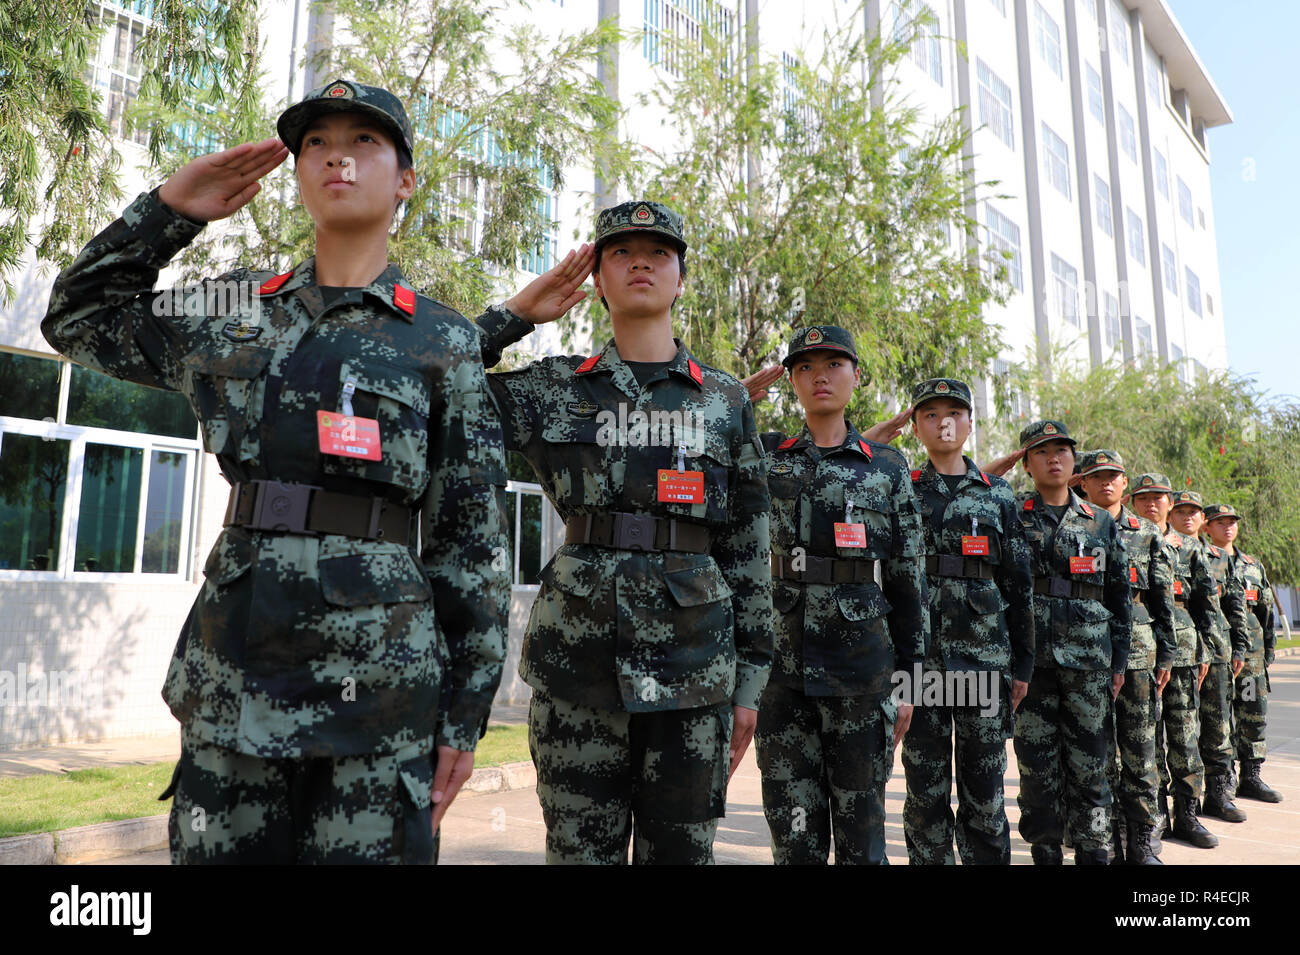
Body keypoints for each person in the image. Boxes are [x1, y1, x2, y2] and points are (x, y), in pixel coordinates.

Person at [41, 79, 511, 863]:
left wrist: (463, 717)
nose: (338, 158)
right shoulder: (231, 310)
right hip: (235, 682)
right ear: (297, 173)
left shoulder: (443, 341)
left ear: (405, 180)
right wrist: (171, 211)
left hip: (382, 700)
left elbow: (472, 546)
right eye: (317, 143)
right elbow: (78, 318)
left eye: (365, 142)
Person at [474, 200, 774, 864]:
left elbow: (751, 551)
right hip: (576, 673)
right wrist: (516, 315)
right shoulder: (556, 389)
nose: (640, 260)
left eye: (659, 251)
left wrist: (749, 684)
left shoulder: (725, 401)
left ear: (680, 278)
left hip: (695, 678)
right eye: (620, 252)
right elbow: (433, 382)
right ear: (599, 280)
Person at [743, 327, 927, 864]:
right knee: (794, 834)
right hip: (781, 673)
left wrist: (911, 676)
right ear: (793, 381)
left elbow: (907, 578)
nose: (819, 375)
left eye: (833, 363)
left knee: (862, 835)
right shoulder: (767, 457)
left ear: (855, 375)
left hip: (861, 672)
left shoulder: (886, 466)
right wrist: (726, 400)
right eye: (804, 367)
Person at [899, 378, 1032, 865]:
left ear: (970, 424)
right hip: (922, 669)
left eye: (954, 412)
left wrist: (1023, 664)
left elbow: (1018, 584)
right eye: (930, 414)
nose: (944, 422)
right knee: (925, 791)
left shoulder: (998, 496)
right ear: (916, 427)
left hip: (984, 663)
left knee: (984, 791)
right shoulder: (902, 490)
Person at [1012, 421, 1130, 865]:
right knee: (1037, 771)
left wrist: (1119, 661)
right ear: (1026, 463)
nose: (1055, 458)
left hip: (1090, 661)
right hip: (1033, 665)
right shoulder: (1014, 514)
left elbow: (1119, 594)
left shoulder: (1098, 521)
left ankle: (1094, 852)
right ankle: (1045, 852)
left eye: (1062, 449)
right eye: (1042, 451)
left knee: (1092, 769)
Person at [1077, 451, 1175, 865]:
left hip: (1137, 650)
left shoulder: (1147, 532)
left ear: (1124, 482)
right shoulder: (1073, 523)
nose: (1106, 483)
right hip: (1084, 648)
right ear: (1084, 482)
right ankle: (1107, 836)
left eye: (1113, 476)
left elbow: (1162, 597)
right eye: (1097, 476)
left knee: (1139, 748)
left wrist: (1166, 653)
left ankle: (1142, 838)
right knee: (1095, 752)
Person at [1129, 475, 1220, 849]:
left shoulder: (1189, 548)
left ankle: (1187, 814)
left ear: (1169, 502)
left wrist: (1208, 650)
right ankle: (1151, 819)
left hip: (1183, 653)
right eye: (1144, 498)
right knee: (1143, 742)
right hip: (1138, 651)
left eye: (1159, 498)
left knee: (1184, 737)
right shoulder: (1126, 537)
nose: (1152, 504)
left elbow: (1206, 603)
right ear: (1133, 502)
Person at [1170, 490, 1251, 824]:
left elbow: (1235, 604)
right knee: (1181, 731)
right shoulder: (1162, 549)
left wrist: (1240, 647)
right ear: (1171, 516)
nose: (1188, 517)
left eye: (1194, 512)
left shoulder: (1219, 557)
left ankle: (1219, 796)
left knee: (1218, 727)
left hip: (1216, 652)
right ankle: (1174, 808)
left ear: (1203, 520)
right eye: (1182, 511)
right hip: (1179, 653)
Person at [1203, 504, 1283, 803]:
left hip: (1251, 657)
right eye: (1220, 522)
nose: (1227, 527)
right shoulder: (1204, 560)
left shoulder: (1252, 565)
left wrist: (1268, 650)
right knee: (1218, 719)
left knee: (1252, 714)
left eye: (1232, 522)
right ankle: (1222, 780)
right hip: (1220, 655)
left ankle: (1251, 775)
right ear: (1207, 527)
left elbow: (1266, 612)